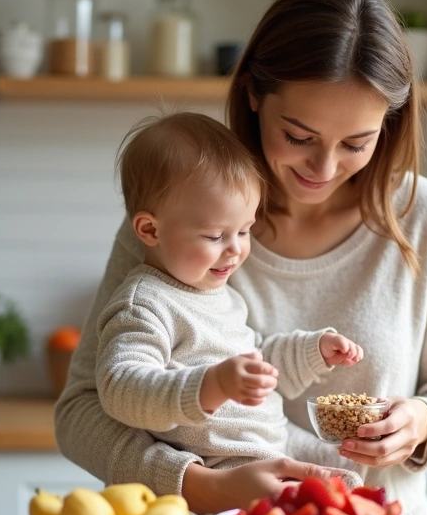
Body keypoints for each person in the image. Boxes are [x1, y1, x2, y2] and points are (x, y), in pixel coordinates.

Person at [56, 0, 427, 515]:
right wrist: (203, 486)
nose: (324, 168)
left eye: (356, 143)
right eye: (299, 135)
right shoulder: (180, 222)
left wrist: (422, 423)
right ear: (255, 94)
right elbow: (83, 410)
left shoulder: (426, 219)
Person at [96, 110, 365, 478]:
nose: (235, 249)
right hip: (220, 467)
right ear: (149, 229)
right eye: (214, 236)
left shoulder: (223, 297)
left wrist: (311, 350)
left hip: (272, 444)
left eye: (244, 230)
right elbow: (120, 387)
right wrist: (212, 385)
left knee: (352, 466)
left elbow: (258, 365)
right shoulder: (143, 304)